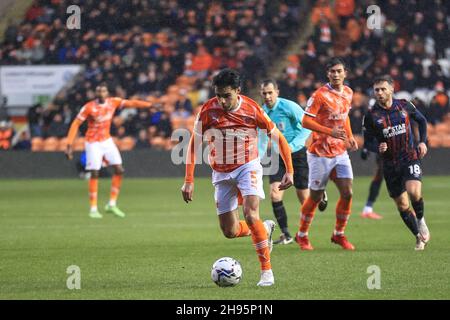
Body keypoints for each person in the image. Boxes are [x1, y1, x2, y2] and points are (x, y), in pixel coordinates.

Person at [181, 69, 294, 286]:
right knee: (229, 231)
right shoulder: (207, 110)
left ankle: (266, 273)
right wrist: (189, 180)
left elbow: (278, 138)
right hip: (221, 172)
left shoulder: (253, 110)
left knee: (251, 214)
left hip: (247, 166)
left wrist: (289, 170)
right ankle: (265, 228)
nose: (222, 100)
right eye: (218, 95)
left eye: (227, 95)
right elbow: (194, 145)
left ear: (237, 91)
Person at [296, 57, 358, 251]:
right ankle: (302, 235)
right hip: (319, 153)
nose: (336, 74)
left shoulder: (348, 92)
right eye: (333, 71)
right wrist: (330, 132)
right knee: (315, 197)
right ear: (328, 74)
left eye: (339, 71)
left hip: (340, 151)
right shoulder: (319, 95)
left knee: (347, 193)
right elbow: (305, 122)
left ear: (345, 73)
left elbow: (344, 117)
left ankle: (338, 234)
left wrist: (349, 136)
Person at [65, 84, 153, 218]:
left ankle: (111, 204)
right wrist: (69, 144)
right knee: (95, 173)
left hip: (107, 141)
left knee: (119, 169)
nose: (101, 93)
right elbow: (75, 124)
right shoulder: (89, 107)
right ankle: (93, 209)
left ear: (107, 93)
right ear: (96, 93)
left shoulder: (113, 102)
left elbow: (131, 103)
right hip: (93, 142)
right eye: (98, 91)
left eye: (103, 91)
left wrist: (149, 105)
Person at [363, 75, 430, 250]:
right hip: (389, 164)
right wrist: (378, 146)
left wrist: (422, 141)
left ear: (392, 89)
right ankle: (417, 236)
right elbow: (368, 141)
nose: (379, 93)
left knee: (414, 192)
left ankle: (421, 220)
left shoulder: (404, 105)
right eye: (376, 90)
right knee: (402, 204)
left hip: (409, 156)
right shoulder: (371, 116)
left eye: (383, 89)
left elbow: (422, 121)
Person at [258, 79, 328, 245]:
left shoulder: (289, 106)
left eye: (270, 92)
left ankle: (317, 196)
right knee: (274, 194)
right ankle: (286, 234)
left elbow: (307, 125)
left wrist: (293, 145)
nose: (267, 96)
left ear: (277, 92)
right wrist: (258, 158)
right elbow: (261, 137)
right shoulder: (262, 112)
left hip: (296, 154)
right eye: (264, 93)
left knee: (304, 198)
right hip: (277, 156)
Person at [360, 147, 384, 220]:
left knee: (379, 178)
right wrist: (366, 148)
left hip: (395, 150)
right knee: (378, 177)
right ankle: (367, 209)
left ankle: (368, 208)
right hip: (385, 152)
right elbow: (374, 136)